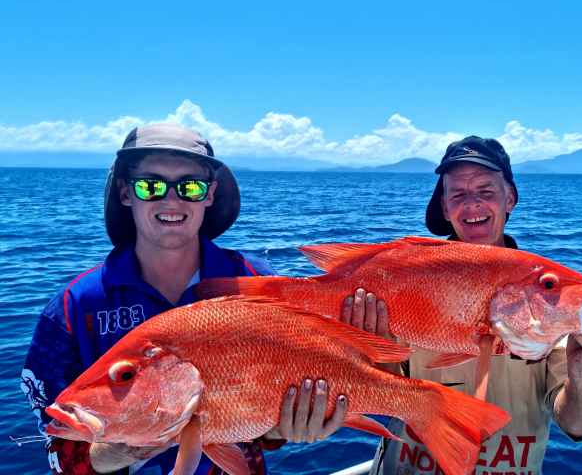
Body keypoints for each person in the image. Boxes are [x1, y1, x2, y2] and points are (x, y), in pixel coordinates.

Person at [20, 123, 346, 475]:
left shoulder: (256, 281)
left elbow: (277, 408)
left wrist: (287, 427)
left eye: (190, 186)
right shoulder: (74, 307)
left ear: (210, 194)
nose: (171, 200)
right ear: (126, 193)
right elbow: (55, 444)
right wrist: (116, 451)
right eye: (151, 185)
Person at [344, 136, 582, 475]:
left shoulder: (545, 299)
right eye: (458, 194)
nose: (472, 205)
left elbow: (577, 426)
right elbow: (385, 400)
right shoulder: (407, 278)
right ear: (445, 208)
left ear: (510, 199)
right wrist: (369, 341)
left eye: (486, 192)